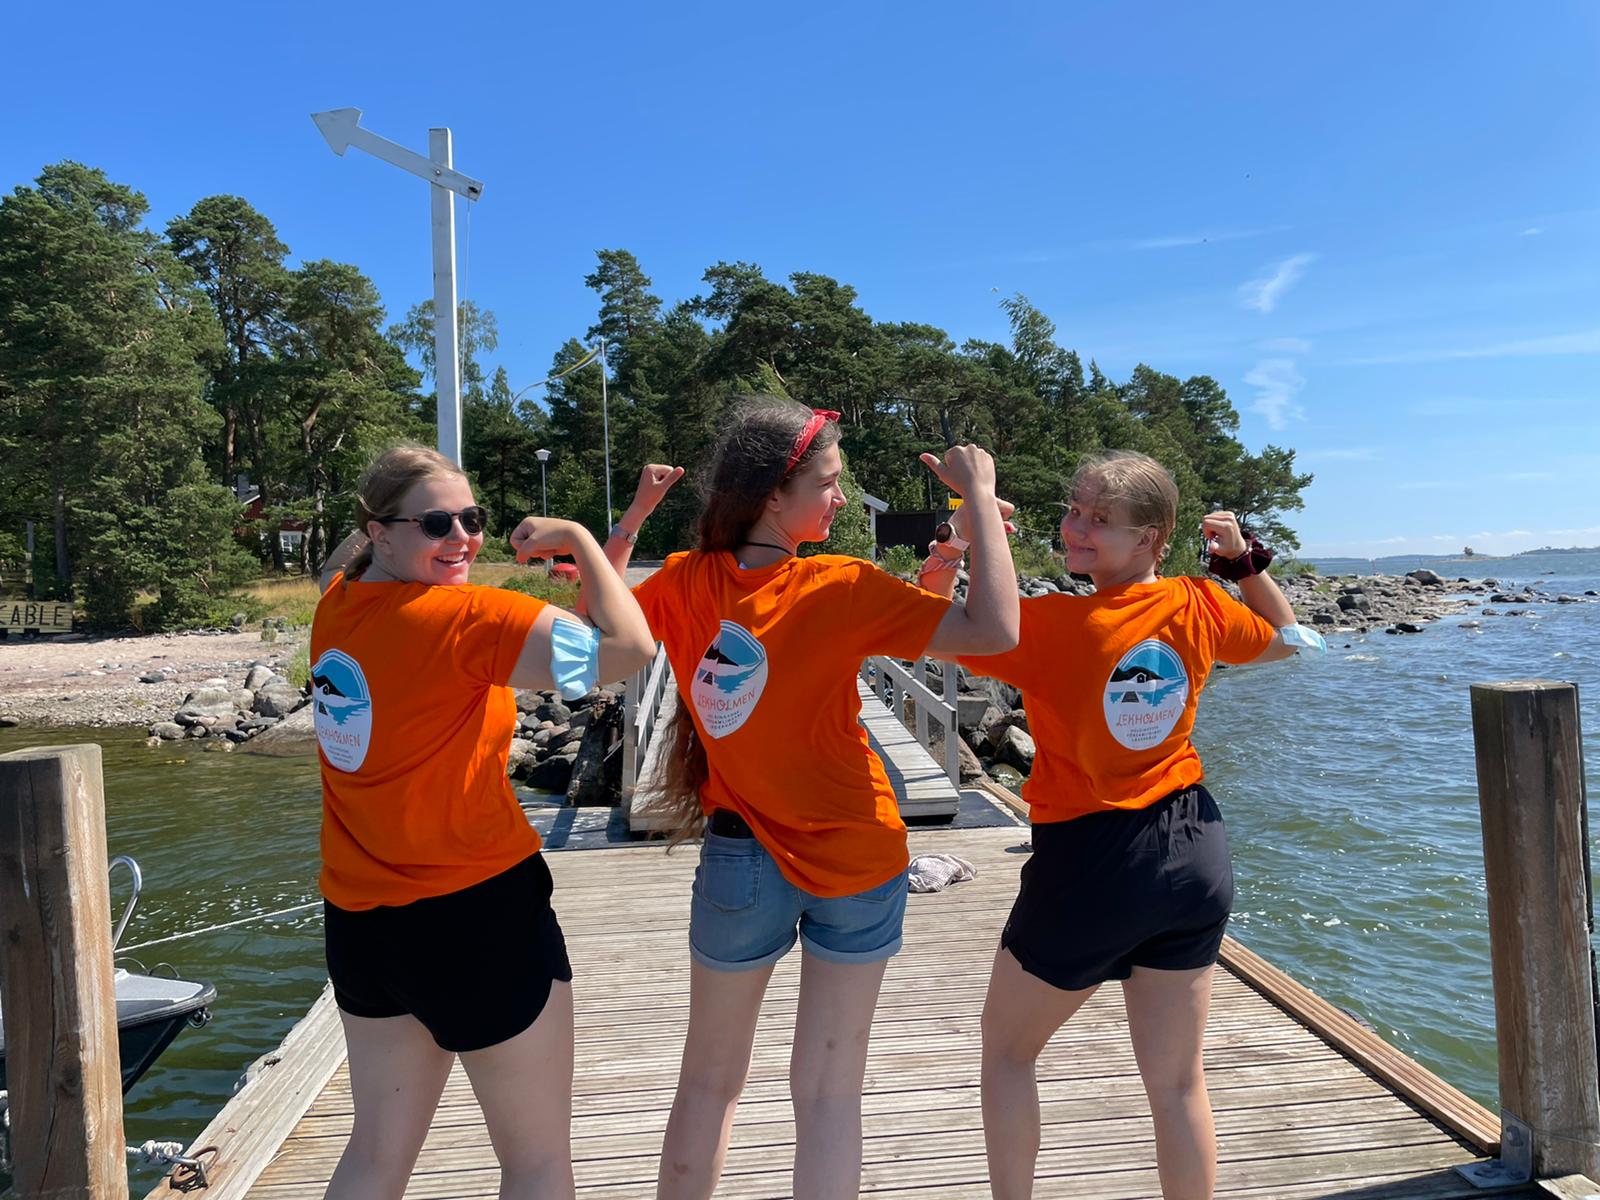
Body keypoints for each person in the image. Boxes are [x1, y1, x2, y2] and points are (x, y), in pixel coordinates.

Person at [597, 398, 1020, 1200]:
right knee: (829, 1095)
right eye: (828, 483)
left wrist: (632, 520)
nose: (839, 497)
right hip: (859, 858)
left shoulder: (686, 582)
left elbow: (597, 626)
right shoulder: (840, 586)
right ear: (771, 496)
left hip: (740, 859)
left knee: (707, 1084)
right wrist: (980, 499)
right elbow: (994, 631)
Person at [918, 449, 1321, 1200]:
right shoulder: (1201, 604)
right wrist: (1243, 563)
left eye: (1100, 519)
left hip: (1093, 859)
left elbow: (924, 627)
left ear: (1150, 538)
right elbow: (1293, 641)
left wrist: (956, 544)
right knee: (1177, 1082)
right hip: (1194, 848)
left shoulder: (1051, 625)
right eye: (1075, 510)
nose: (1075, 527)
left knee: (1007, 1052)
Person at [310, 443, 656, 1200]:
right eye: (437, 523)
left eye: (472, 518)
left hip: (362, 924)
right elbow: (629, 647)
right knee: (536, 1163)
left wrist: (405, 531)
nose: (463, 538)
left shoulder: (337, 604)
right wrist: (581, 540)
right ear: (379, 533)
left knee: (374, 1157)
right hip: (476, 915)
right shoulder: (471, 619)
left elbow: (347, 560)